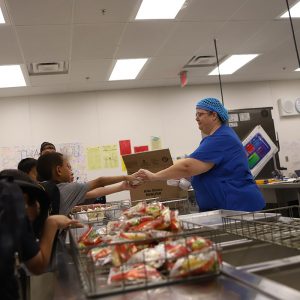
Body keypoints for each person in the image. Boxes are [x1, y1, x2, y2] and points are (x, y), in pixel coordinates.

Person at [137, 97, 265, 212]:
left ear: (214, 115)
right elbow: (202, 167)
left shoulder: (222, 138)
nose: (196, 118)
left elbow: (188, 166)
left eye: (200, 114)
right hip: (228, 207)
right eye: (196, 114)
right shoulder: (216, 137)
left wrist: (154, 176)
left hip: (238, 207)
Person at [0, 169, 83, 300]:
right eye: (35, 202)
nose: (38, 208)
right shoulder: (16, 207)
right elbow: (37, 265)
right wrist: (52, 223)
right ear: (26, 199)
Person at [36, 152, 139, 215]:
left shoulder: (47, 188)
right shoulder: (69, 188)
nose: (71, 170)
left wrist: (121, 187)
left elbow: (93, 192)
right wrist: (126, 177)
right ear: (59, 170)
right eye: (67, 166)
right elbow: (100, 181)